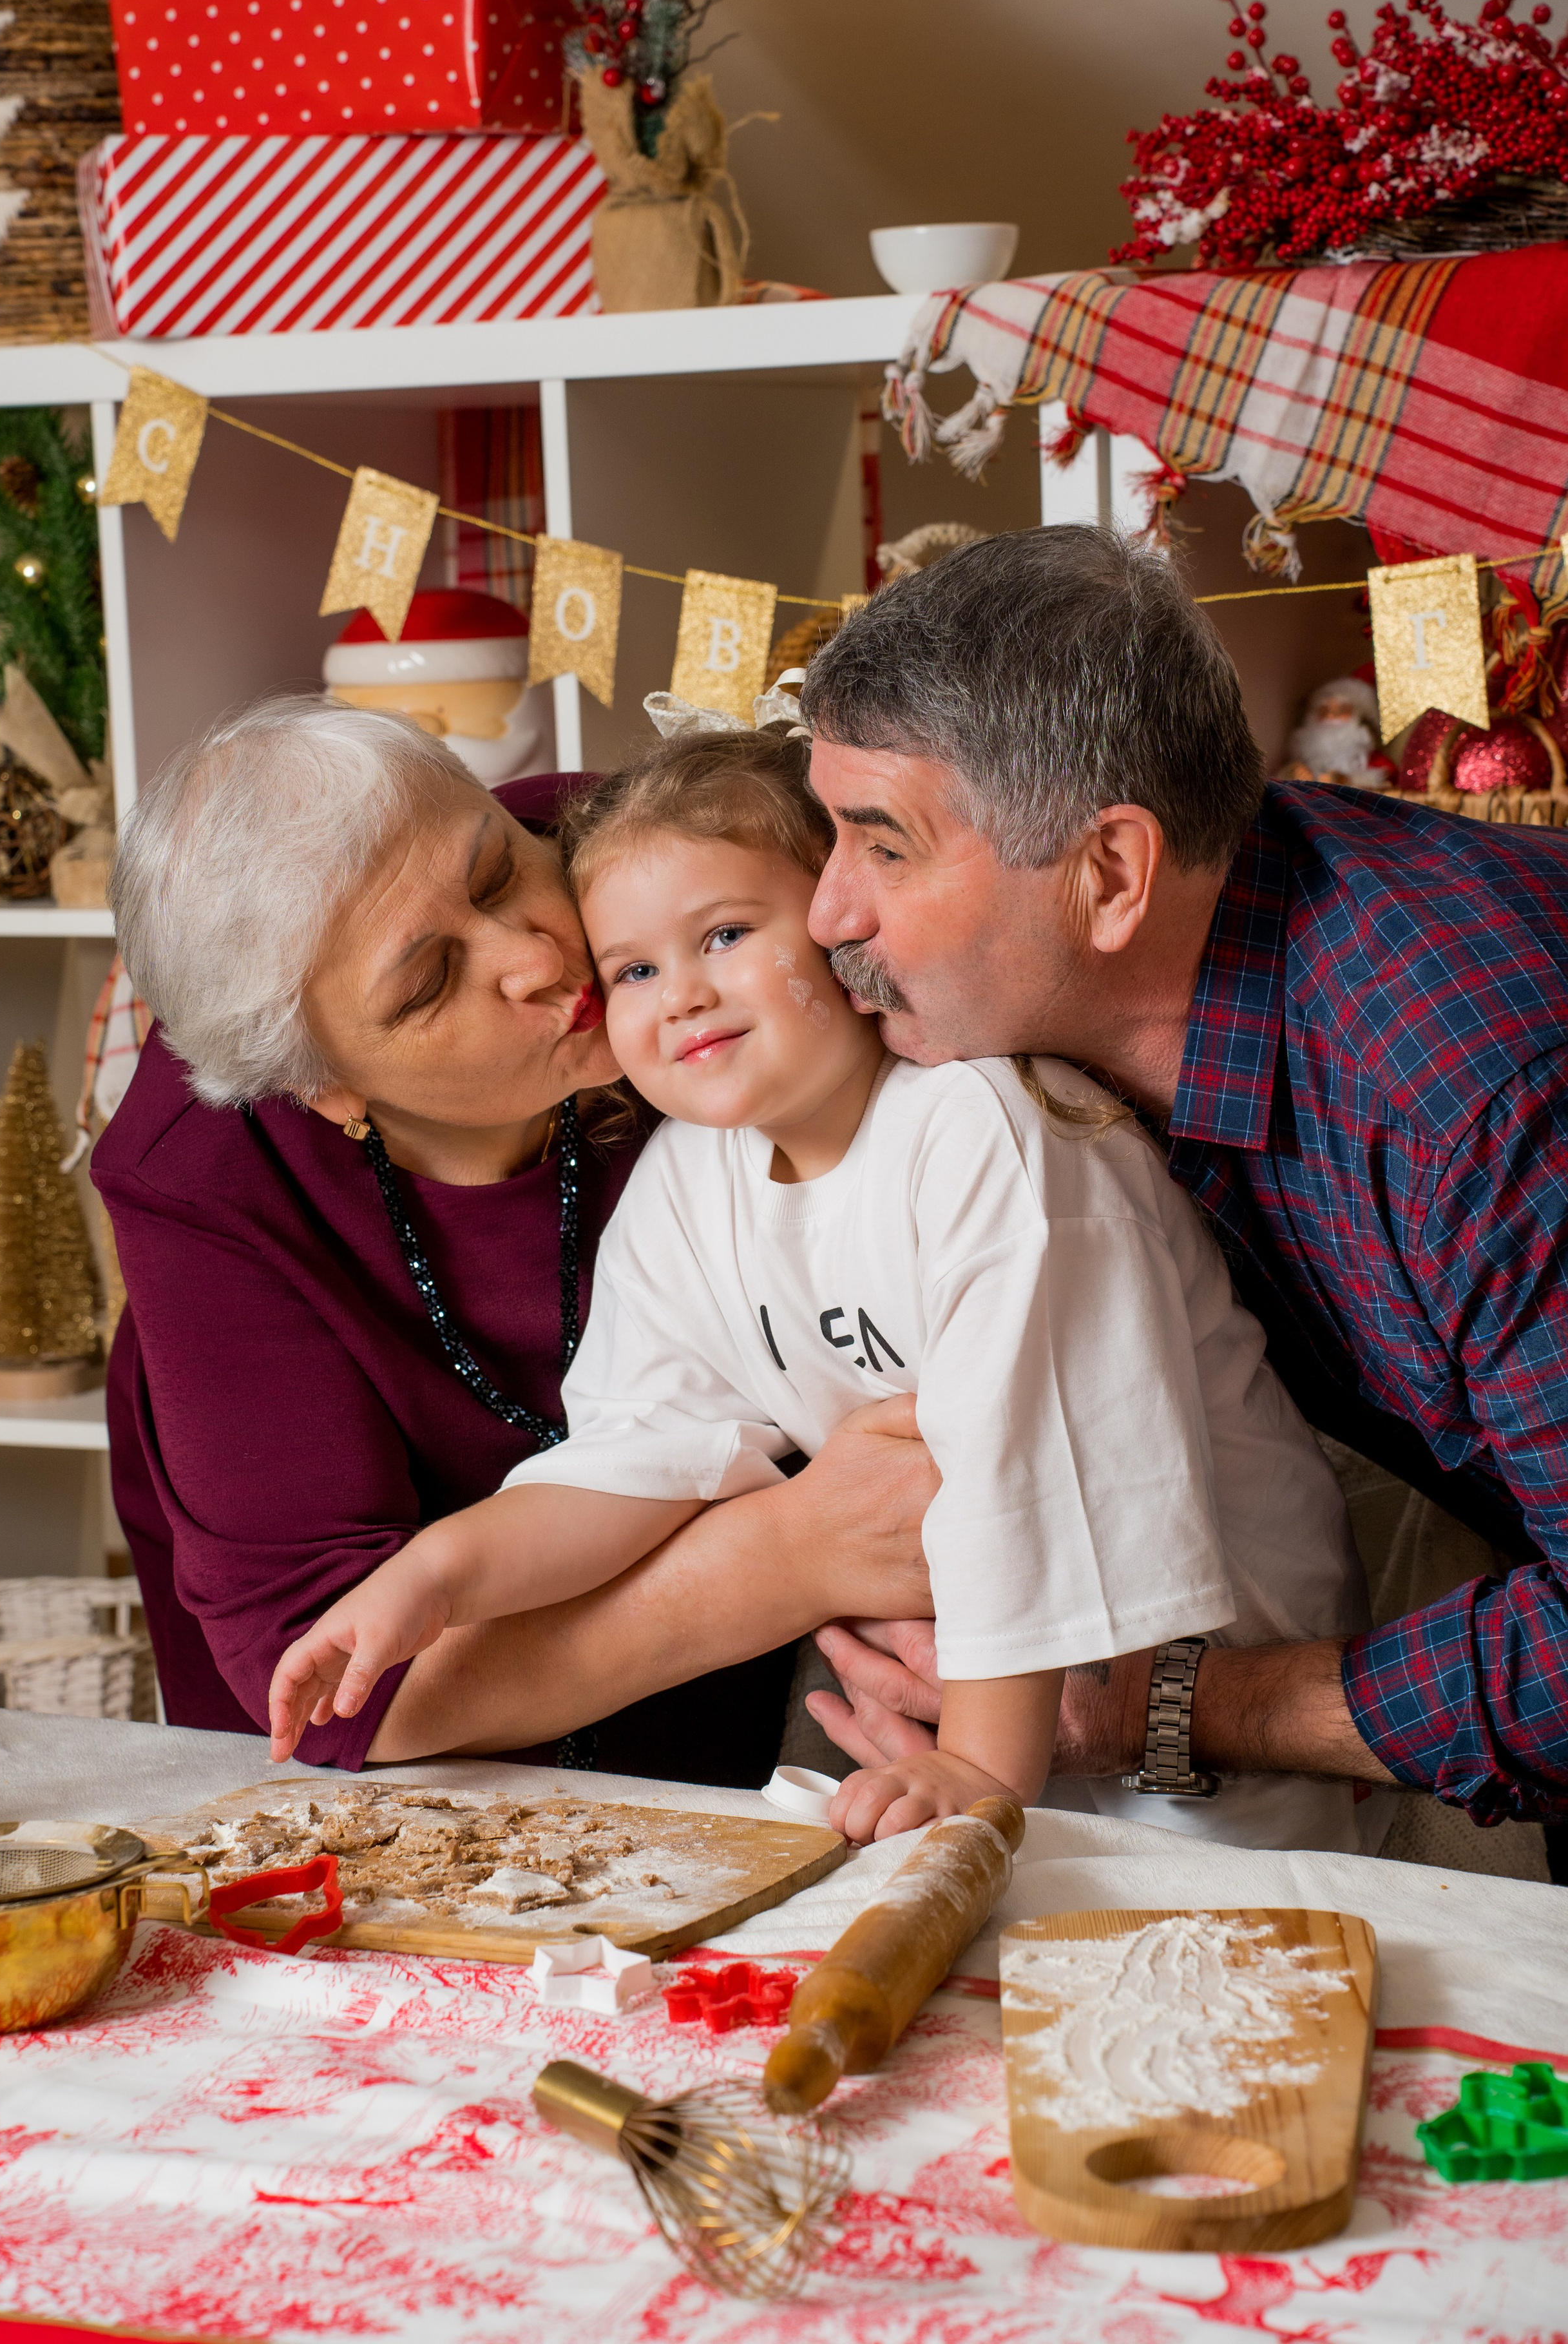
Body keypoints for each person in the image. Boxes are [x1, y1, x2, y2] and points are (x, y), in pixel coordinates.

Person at [269, 724, 1372, 1850]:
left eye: (729, 934)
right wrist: (438, 1577)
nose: (683, 995)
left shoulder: (984, 1129)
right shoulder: (688, 1184)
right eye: (635, 969)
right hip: (991, 1698)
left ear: (840, 924)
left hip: (1211, 1699)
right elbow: (634, 1459)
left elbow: (1024, 1472)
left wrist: (982, 1768)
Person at [793, 523, 1568, 1856]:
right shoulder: (1109, 1001)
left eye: (885, 848)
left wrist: (1173, 1709)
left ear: (1108, 874)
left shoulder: (1465, 1097)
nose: (825, 914)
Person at [93, 694, 934, 1776]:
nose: (537, 957)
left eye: (500, 871)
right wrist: (799, 1553)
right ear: (325, 1089)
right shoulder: (202, 1176)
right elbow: (344, 1698)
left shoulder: (664, 864)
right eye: (433, 980)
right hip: (435, 1747)